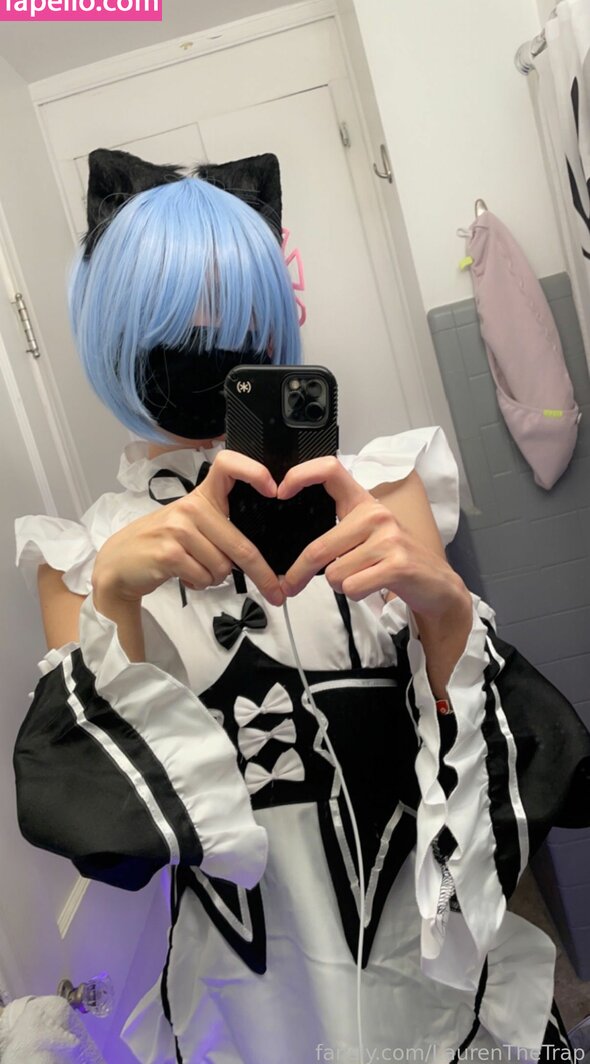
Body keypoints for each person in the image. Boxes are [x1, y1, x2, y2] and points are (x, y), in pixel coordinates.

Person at [13, 149, 590, 1064]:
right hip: (248, 982)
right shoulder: (83, 559)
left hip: (416, 944)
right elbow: (121, 837)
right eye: (172, 324)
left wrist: (444, 609)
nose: (206, 347)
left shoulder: (383, 489)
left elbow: (477, 752)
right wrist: (116, 597)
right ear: (113, 330)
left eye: (233, 319)